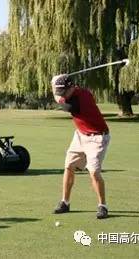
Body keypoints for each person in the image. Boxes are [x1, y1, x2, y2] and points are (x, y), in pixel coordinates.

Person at [51, 74, 111, 219]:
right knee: (69, 166)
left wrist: (53, 85)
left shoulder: (80, 99)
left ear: (72, 87)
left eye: (64, 92)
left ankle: (102, 206)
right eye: (61, 92)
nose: (63, 95)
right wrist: (57, 85)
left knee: (94, 172)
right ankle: (65, 202)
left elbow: (61, 102)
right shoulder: (73, 90)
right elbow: (62, 94)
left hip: (97, 137)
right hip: (80, 135)